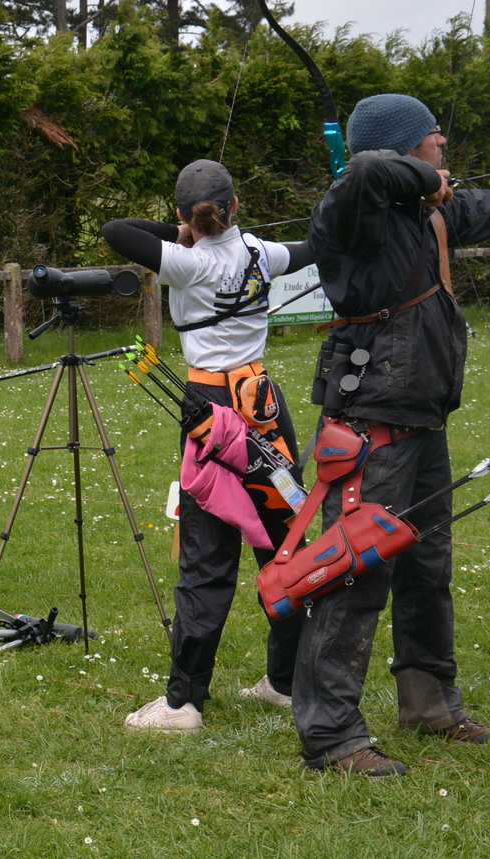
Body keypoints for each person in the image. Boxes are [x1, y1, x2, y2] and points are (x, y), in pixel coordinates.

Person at [297, 93, 490, 775]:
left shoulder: (426, 214)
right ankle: (330, 733)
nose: (443, 141)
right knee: (354, 571)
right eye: (432, 134)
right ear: (406, 146)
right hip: (371, 422)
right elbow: (366, 168)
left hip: (422, 420)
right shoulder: (354, 207)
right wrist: (426, 178)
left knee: (428, 570)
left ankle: (429, 705)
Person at [103, 159, 314, 732]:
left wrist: (180, 232)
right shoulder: (261, 252)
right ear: (235, 206)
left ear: (182, 213)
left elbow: (117, 231)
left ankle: (184, 704)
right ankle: (288, 682)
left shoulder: (186, 261)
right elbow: (314, 246)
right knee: (285, 542)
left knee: (206, 555)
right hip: (263, 407)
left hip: (210, 414)